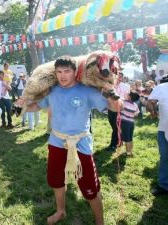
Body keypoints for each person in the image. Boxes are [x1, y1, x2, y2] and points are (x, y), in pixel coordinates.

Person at [17, 56, 123, 225]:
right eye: (59, 71)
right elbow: (38, 106)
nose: (62, 75)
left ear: (76, 72)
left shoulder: (87, 90)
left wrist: (112, 96)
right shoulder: (52, 90)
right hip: (56, 142)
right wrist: (21, 107)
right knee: (56, 180)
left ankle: (100, 222)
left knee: (90, 188)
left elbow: (115, 108)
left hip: (81, 145)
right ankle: (61, 211)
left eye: (67, 71)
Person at [146, 81, 168, 196]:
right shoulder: (162, 87)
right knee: (165, 157)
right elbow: (150, 102)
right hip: (164, 129)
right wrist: (152, 110)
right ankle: (164, 185)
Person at [107, 72, 130, 151]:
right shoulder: (110, 86)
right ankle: (120, 140)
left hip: (120, 109)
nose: (118, 79)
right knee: (113, 125)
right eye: (117, 77)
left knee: (116, 127)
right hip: (110, 108)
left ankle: (114, 144)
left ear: (122, 78)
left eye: (120, 77)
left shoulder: (126, 86)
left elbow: (127, 98)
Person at [120, 91, 140, 156]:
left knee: (127, 139)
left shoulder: (124, 103)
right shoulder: (135, 105)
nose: (127, 94)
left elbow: (119, 108)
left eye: (128, 94)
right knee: (130, 137)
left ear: (130, 97)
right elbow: (136, 114)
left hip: (125, 123)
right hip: (131, 122)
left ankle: (128, 153)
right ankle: (130, 151)